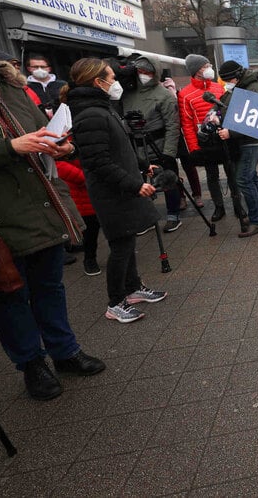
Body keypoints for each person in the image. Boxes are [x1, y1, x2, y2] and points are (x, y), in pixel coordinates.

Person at [0, 10, 105, 400]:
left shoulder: (10, 87)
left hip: (42, 203)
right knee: (10, 292)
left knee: (50, 286)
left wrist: (58, 145)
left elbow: (36, 133)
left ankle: (64, 351)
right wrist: (9, 147)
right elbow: (7, 145)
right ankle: (31, 363)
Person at [63, 58, 168, 323]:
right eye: (111, 77)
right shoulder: (90, 115)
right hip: (112, 193)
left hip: (122, 189)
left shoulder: (102, 109)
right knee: (121, 246)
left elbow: (119, 148)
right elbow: (98, 162)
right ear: (98, 82)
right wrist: (134, 184)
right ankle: (115, 302)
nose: (116, 82)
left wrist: (144, 165)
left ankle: (133, 289)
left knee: (128, 241)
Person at [178, 54, 245, 223]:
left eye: (209, 64)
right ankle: (219, 206)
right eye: (205, 65)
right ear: (196, 71)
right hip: (205, 141)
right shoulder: (185, 94)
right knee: (211, 175)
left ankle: (238, 204)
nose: (209, 68)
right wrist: (194, 148)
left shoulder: (218, 88)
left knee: (232, 173)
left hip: (223, 137)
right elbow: (186, 123)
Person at [121, 55, 183, 232]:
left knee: (168, 180)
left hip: (158, 144)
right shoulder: (128, 93)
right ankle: (145, 217)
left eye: (147, 72)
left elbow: (172, 125)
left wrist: (169, 153)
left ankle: (173, 215)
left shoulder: (164, 95)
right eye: (139, 71)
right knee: (138, 183)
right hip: (134, 146)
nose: (142, 75)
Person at [217, 60, 258, 238]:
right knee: (251, 178)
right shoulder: (245, 87)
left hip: (252, 140)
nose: (227, 83)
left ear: (237, 77)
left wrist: (230, 133)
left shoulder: (253, 89)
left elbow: (253, 120)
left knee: (243, 180)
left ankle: (257, 221)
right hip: (248, 140)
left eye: (229, 80)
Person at [55, 150, 102, 276]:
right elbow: (57, 164)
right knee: (90, 231)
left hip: (95, 188)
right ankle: (90, 260)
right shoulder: (62, 137)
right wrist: (84, 176)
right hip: (80, 193)